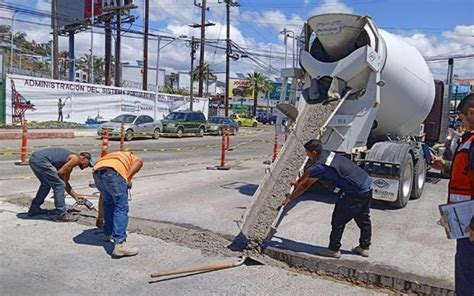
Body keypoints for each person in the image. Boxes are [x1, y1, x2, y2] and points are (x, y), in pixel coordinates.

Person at [282, 139, 373, 258]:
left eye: (307, 152)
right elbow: (310, 171)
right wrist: (298, 181)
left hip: (354, 193)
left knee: (338, 220)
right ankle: (364, 247)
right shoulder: (328, 154)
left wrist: (290, 198)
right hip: (366, 185)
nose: (307, 155)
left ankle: (333, 250)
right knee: (363, 218)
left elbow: (305, 185)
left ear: (314, 152)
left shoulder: (321, 166)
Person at [432, 93, 474, 295]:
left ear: (471, 113)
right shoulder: (469, 140)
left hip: (470, 225)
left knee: (467, 277)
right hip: (464, 221)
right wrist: (446, 166)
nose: (462, 123)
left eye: (463, 118)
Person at [92, 151, 143, 258]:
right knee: (121, 207)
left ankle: (107, 233)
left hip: (97, 173)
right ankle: (120, 245)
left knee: (108, 204)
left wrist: (100, 216)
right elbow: (139, 162)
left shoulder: (114, 156)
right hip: (113, 173)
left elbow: (102, 198)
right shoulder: (132, 157)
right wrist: (127, 178)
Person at [28, 148, 94, 222]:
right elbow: (61, 174)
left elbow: (64, 182)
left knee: (46, 184)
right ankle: (61, 214)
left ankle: (34, 209)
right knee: (58, 185)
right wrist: (62, 180)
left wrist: (75, 196)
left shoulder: (67, 162)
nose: (87, 166)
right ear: (84, 158)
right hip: (42, 160)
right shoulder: (76, 159)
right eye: (88, 164)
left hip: (34, 159)